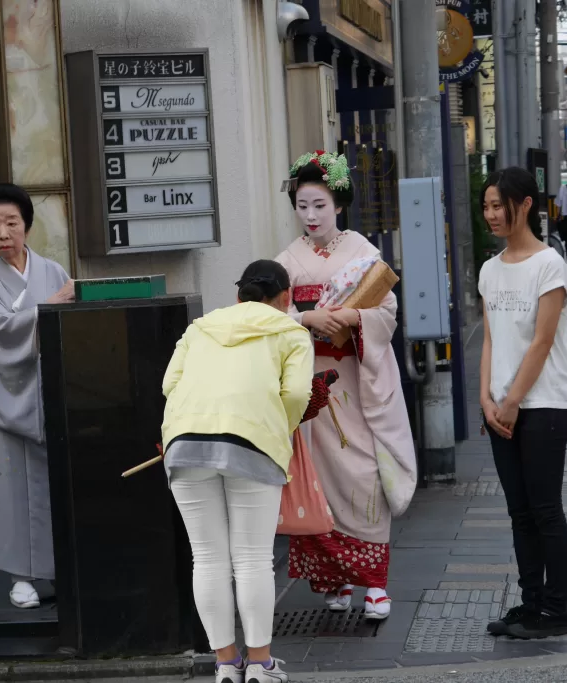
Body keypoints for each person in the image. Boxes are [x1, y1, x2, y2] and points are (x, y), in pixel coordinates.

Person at [162, 259, 333, 683]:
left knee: (207, 556)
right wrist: (283, 425)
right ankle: (260, 664)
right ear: (286, 299)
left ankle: (225, 664)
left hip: (184, 441)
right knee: (253, 558)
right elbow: (297, 391)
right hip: (252, 442)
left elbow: (169, 385)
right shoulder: (291, 331)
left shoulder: (200, 328)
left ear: (239, 296)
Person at [275, 150, 417, 621]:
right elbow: (271, 318)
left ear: (338, 204)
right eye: (302, 206)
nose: (311, 215)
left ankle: (375, 583)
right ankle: (332, 580)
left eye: (319, 205)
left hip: (354, 378)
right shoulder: (286, 261)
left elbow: (387, 312)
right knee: (314, 476)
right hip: (308, 381)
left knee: (363, 472)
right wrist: (305, 317)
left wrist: (355, 316)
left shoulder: (363, 252)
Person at [0, 183, 75, 609]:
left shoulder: (52, 270)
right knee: (13, 488)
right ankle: (21, 577)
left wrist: (49, 304)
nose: (3, 232)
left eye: (11, 222)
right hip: (8, 395)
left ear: (27, 226)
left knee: (54, 485)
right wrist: (49, 306)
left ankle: (61, 568)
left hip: (51, 390)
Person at [479, 167, 567, 640]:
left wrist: (514, 400)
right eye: (487, 206)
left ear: (526, 205)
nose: (492, 214)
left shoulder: (549, 266)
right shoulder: (489, 270)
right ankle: (531, 604)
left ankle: (556, 611)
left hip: (544, 406)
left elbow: (542, 342)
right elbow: (491, 341)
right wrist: (486, 397)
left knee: (545, 509)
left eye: (500, 205)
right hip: (501, 408)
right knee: (520, 512)